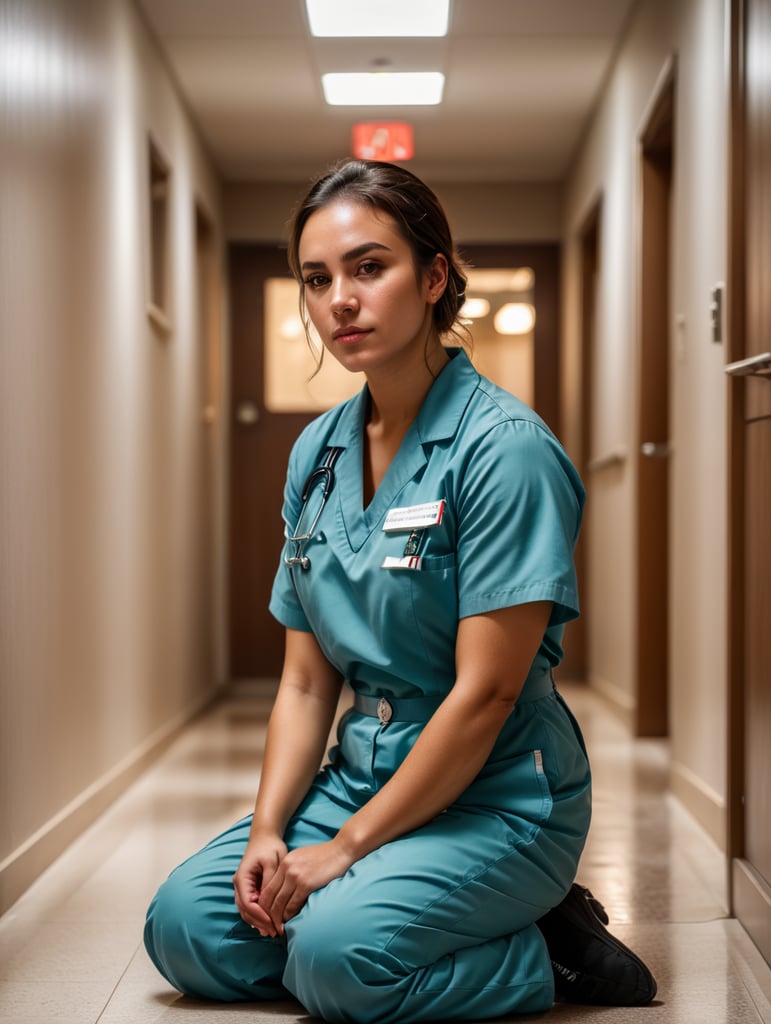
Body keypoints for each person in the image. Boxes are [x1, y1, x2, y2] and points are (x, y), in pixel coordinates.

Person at [144, 159, 656, 1022]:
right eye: (317, 278)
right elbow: (307, 683)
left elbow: (488, 692)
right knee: (187, 927)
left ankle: (550, 953)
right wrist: (272, 829)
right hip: (361, 778)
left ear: (432, 278)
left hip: (496, 797)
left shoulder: (504, 450)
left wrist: (343, 851)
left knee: (336, 964)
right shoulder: (318, 455)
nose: (339, 298)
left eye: (367, 267)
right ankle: (388, 920)